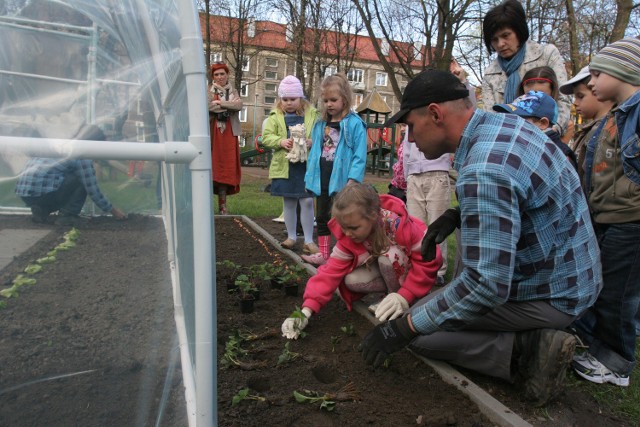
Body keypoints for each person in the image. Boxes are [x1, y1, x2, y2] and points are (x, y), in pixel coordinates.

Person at [358, 69, 601, 406]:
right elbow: (526, 195)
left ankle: (527, 352)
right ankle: (519, 335)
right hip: (571, 276)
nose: (409, 139)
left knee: (422, 331)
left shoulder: (483, 169)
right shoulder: (504, 126)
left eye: (410, 126)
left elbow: (486, 285)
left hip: (552, 295)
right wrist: (458, 214)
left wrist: (404, 330)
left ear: (435, 114)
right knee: (432, 307)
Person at [567, 37, 640, 387]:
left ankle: (617, 362)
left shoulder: (636, 113)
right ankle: (596, 345)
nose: (591, 82)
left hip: (632, 222)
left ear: (623, 71)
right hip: (609, 217)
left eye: (597, 73)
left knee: (618, 294)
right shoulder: (613, 116)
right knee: (602, 285)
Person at [281, 183, 442, 339]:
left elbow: (429, 260)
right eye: (344, 227)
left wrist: (405, 295)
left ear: (372, 216)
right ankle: (389, 298)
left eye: (353, 228)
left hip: (412, 270)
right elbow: (329, 272)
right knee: (351, 280)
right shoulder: (350, 235)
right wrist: (305, 311)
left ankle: (402, 302)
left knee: (389, 257)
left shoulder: (399, 226)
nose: (347, 233)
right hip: (392, 269)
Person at [302, 73, 368, 266]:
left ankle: (343, 256)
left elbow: (360, 154)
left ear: (345, 99)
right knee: (322, 216)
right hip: (322, 176)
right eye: (325, 100)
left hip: (342, 180)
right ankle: (324, 255)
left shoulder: (355, 124)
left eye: (333, 100)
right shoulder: (321, 123)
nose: (329, 104)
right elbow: (318, 149)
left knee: (342, 219)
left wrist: (353, 179)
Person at [481, 0, 571, 135]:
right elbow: (491, 116)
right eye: (494, 39)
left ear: (518, 31)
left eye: (506, 35)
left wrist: (552, 133)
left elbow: (563, 99)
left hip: (548, 138)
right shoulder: (490, 74)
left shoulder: (546, 55)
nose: (500, 44)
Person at [15, 125, 127, 225]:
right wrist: (113, 211)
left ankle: (41, 210)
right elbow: (93, 190)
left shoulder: (62, 146)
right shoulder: (82, 155)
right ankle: (68, 216)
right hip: (43, 194)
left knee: (61, 177)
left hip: (25, 195)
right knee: (81, 180)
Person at [262, 76, 319, 255]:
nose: (288, 103)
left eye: (292, 99)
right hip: (285, 166)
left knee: (308, 201)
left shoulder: (312, 115)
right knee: (289, 202)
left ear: (300, 98)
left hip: (305, 166)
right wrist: (280, 141)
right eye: (285, 99)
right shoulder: (275, 116)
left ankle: (309, 240)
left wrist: (312, 142)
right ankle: (292, 237)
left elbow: (321, 135)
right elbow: (266, 137)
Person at [402, 132, 452, 286]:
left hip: (438, 174)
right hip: (414, 176)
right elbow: (406, 150)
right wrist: (407, 177)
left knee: (437, 224)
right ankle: (418, 267)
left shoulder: (440, 118)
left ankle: (439, 270)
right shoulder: (412, 124)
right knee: (415, 226)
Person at [493, 90, 578, 170]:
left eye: (519, 118)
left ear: (543, 123)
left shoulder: (560, 157)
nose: (512, 123)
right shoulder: (523, 147)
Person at [208, 62, 243, 215]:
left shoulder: (233, 90)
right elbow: (208, 106)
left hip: (229, 134)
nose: (220, 77)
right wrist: (229, 105)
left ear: (227, 74)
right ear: (213, 77)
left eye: (222, 74)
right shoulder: (208, 91)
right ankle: (204, 206)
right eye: (217, 74)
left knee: (226, 170)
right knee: (213, 167)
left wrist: (220, 102)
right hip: (213, 134)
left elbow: (239, 106)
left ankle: (223, 206)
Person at [517, 66, 575, 145]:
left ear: (553, 92)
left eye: (541, 95)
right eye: (529, 95)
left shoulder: (564, 124)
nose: (534, 100)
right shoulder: (514, 116)